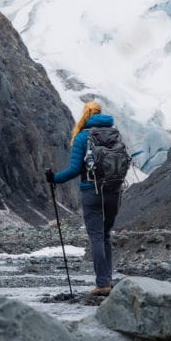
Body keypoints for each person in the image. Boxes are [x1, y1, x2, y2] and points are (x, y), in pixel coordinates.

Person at [45, 101, 122, 298]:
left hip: (92, 191)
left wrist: (54, 178)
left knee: (96, 236)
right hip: (114, 191)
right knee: (105, 235)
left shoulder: (82, 137)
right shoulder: (115, 134)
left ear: (85, 115)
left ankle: (102, 283)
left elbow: (74, 170)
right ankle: (108, 280)